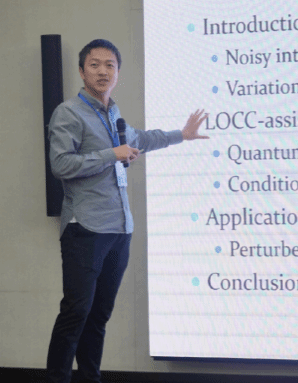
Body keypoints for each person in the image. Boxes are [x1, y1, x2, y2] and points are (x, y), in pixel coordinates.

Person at [46, 39, 208, 383]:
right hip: (85, 227)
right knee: (76, 313)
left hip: (120, 228)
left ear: (118, 73)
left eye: (110, 65)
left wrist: (182, 134)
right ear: (82, 71)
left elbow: (140, 140)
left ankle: (90, 378)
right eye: (94, 65)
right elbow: (61, 164)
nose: (103, 71)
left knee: (99, 316)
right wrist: (112, 154)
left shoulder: (114, 115)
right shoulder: (68, 112)